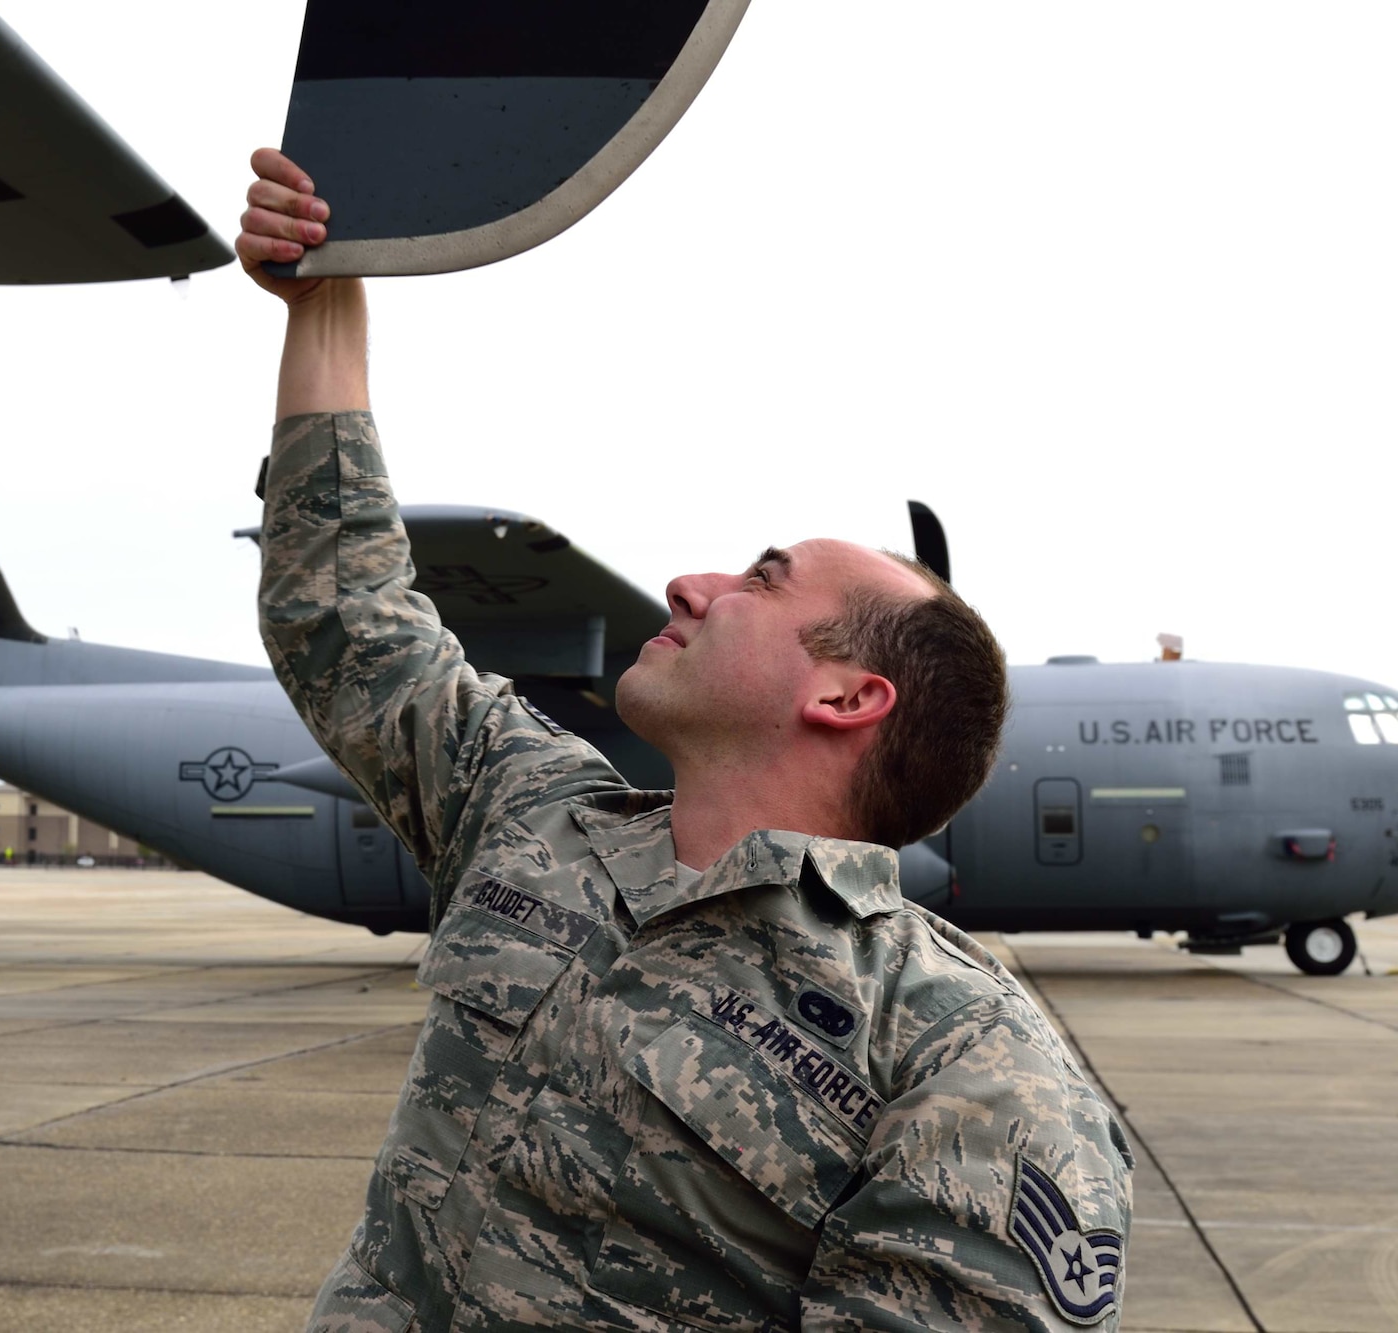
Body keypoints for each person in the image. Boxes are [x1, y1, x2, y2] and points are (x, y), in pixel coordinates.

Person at [238, 148, 1132, 1332]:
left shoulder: (962, 1056)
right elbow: (346, 616)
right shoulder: (533, 816)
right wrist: (326, 304)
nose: (689, 581)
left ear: (847, 697)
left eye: (761, 578)